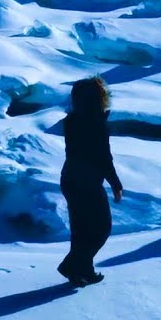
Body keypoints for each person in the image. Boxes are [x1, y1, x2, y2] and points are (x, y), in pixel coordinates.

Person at [57, 76, 123, 286]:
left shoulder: (73, 120)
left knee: (81, 229)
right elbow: (103, 157)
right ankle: (72, 265)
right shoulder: (95, 122)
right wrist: (115, 184)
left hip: (70, 179)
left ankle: (83, 270)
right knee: (101, 228)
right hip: (87, 183)